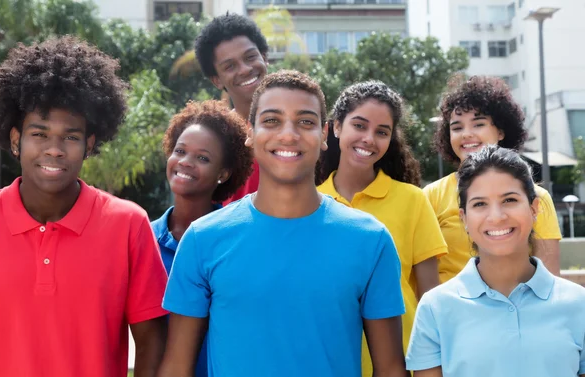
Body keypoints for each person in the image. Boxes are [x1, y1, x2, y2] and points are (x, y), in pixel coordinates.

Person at [157, 70, 408, 377]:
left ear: (324, 133)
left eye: (305, 121)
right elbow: (176, 368)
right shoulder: (202, 239)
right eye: (272, 120)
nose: (288, 134)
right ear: (251, 131)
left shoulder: (371, 240)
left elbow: (392, 369)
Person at [0, 36, 168, 377]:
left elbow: (151, 340)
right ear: (15, 140)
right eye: (39, 134)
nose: (54, 149)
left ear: (89, 145)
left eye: (70, 137)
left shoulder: (128, 224)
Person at [406, 145, 585, 377]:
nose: (497, 217)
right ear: (464, 219)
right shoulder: (435, 308)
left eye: (509, 200)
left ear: (534, 209)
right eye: (480, 204)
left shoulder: (578, 304)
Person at [317, 81, 447, 374]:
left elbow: (429, 297)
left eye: (382, 132)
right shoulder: (310, 203)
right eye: (359, 126)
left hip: (403, 361)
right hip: (332, 360)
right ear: (336, 127)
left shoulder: (413, 200)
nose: (369, 139)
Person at [424, 75, 561, 282]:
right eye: (457, 127)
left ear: (501, 131)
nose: (466, 134)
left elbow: (549, 279)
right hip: (452, 312)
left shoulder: (537, 196)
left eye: (478, 124)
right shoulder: (430, 196)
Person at [151, 100, 253, 376]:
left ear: (223, 173)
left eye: (202, 158)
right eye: (180, 151)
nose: (185, 162)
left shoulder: (241, 240)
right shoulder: (142, 240)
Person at [195, 13, 269, 204]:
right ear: (217, 80)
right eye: (230, 66)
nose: (245, 69)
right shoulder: (215, 139)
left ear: (265, 57)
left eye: (250, 57)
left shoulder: (303, 126)